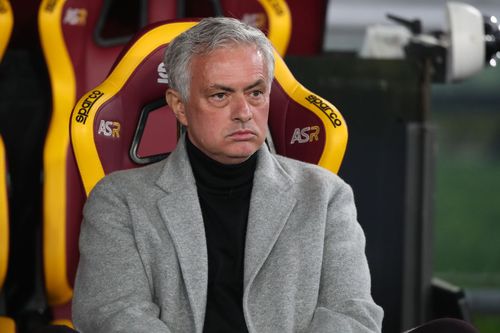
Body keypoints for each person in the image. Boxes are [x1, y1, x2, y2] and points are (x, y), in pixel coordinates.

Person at [72, 17, 384, 332]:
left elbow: (352, 317)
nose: (243, 112)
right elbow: (116, 316)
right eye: (220, 95)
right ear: (179, 107)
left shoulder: (326, 195)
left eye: (256, 93)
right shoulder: (118, 200)